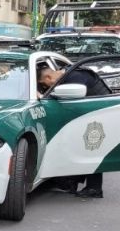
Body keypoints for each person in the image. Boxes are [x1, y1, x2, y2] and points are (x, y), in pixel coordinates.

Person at [39, 65, 111, 198]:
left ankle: (94, 188)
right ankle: (72, 181)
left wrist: (43, 97)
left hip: (103, 114)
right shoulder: (68, 75)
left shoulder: (75, 78)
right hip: (92, 114)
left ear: (48, 77)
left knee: (92, 149)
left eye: (44, 84)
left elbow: (71, 103)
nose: (47, 87)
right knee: (82, 147)